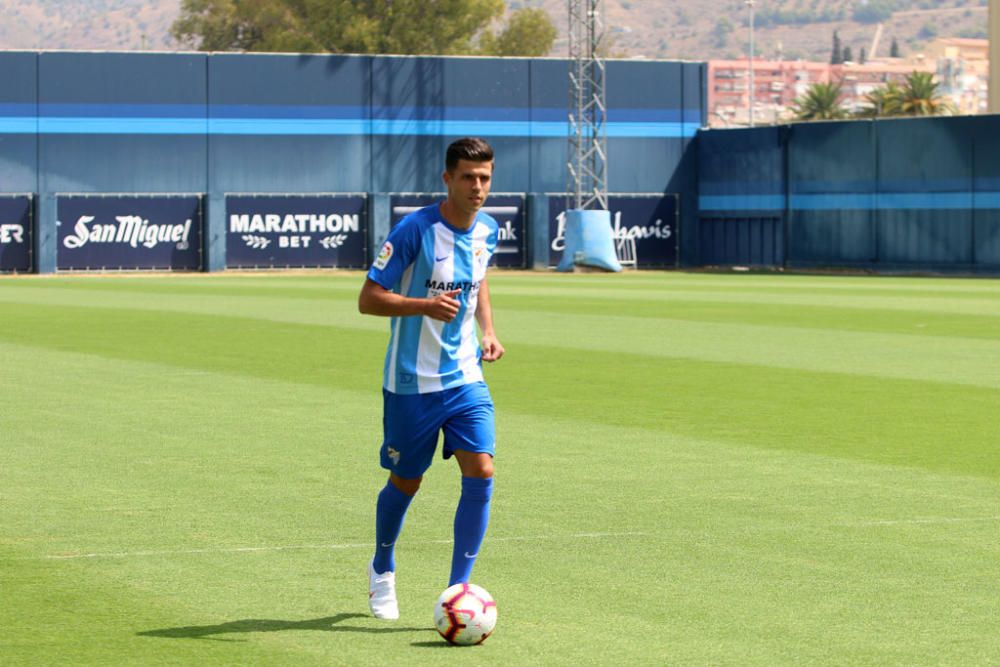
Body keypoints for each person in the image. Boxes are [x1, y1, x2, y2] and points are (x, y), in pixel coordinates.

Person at [358, 137, 505, 620]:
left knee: (482, 469)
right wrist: (424, 304)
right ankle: (382, 566)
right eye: (467, 177)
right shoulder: (414, 230)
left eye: (484, 177)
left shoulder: (488, 229)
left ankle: (457, 592)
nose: (477, 187)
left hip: (465, 376)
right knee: (407, 480)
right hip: (411, 382)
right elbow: (368, 298)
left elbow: (479, 279)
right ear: (447, 178)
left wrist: (488, 330)